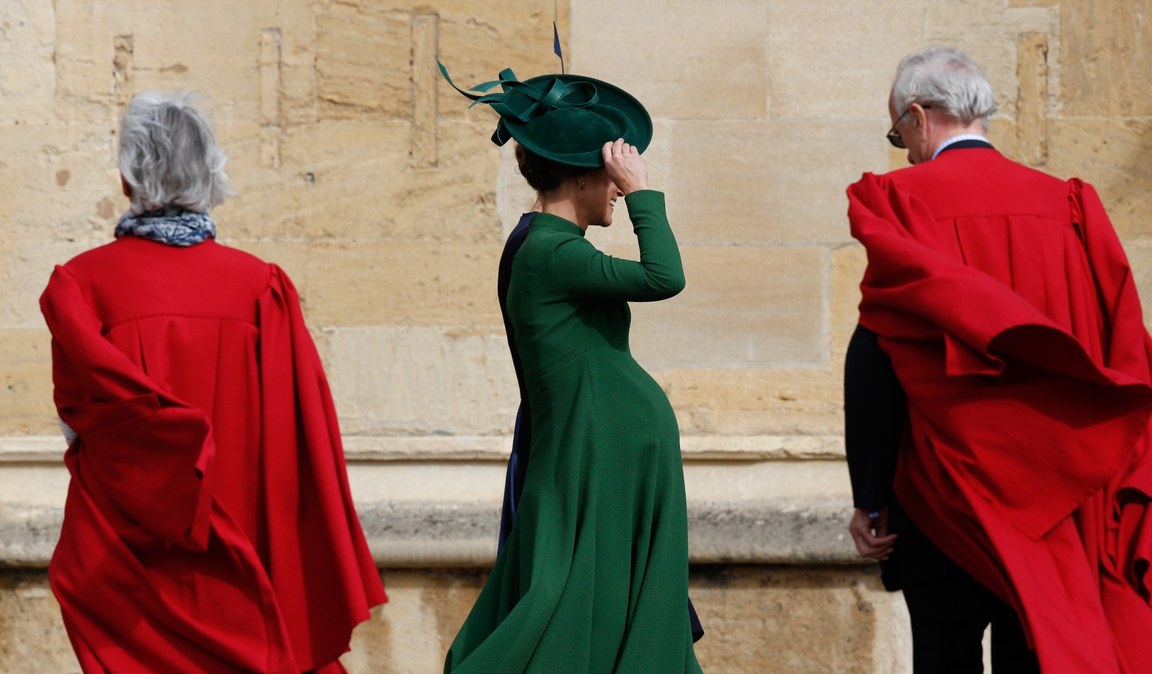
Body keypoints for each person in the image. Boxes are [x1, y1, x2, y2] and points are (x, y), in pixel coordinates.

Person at [843, 46, 1152, 673]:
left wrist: (869, 499)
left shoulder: (901, 200)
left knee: (944, 657)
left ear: (918, 116)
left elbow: (877, 355)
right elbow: (1121, 343)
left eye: (899, 134)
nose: (903, 147)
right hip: (1060, 499)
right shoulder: (1069, 205)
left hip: (944, 492)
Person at [39, 90, 386, 674]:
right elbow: (298, 450)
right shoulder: (261, 289)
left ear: (128, 177)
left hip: (134, 576)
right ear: (210, 173)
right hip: (247, 558)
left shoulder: (82, 288)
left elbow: (79, 426)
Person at [439, 64, 702, 673]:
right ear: (584, 175)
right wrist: (643, 194)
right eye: (609, 177)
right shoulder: (552, 250)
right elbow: (666, 277)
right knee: (569, 594)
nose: (615, 189)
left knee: (596, 590)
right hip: (595, 450)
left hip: (607, 447)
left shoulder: (550, 247)